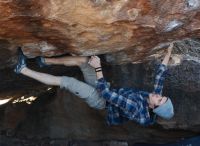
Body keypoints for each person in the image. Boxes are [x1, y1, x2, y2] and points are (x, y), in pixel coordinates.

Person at [14, 44, 174, 126]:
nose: (158, 96)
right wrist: (168, 53)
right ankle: (44, 61)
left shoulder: (137, 110)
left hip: (101, 100)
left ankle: (22, 69)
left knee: (68, 82)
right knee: (84, 61)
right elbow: (160, 77)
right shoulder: (154, 99)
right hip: (107, 88)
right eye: (162, 97)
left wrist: (98, 67)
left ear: (154, 108)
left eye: (159, 100)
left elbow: (105, 94)